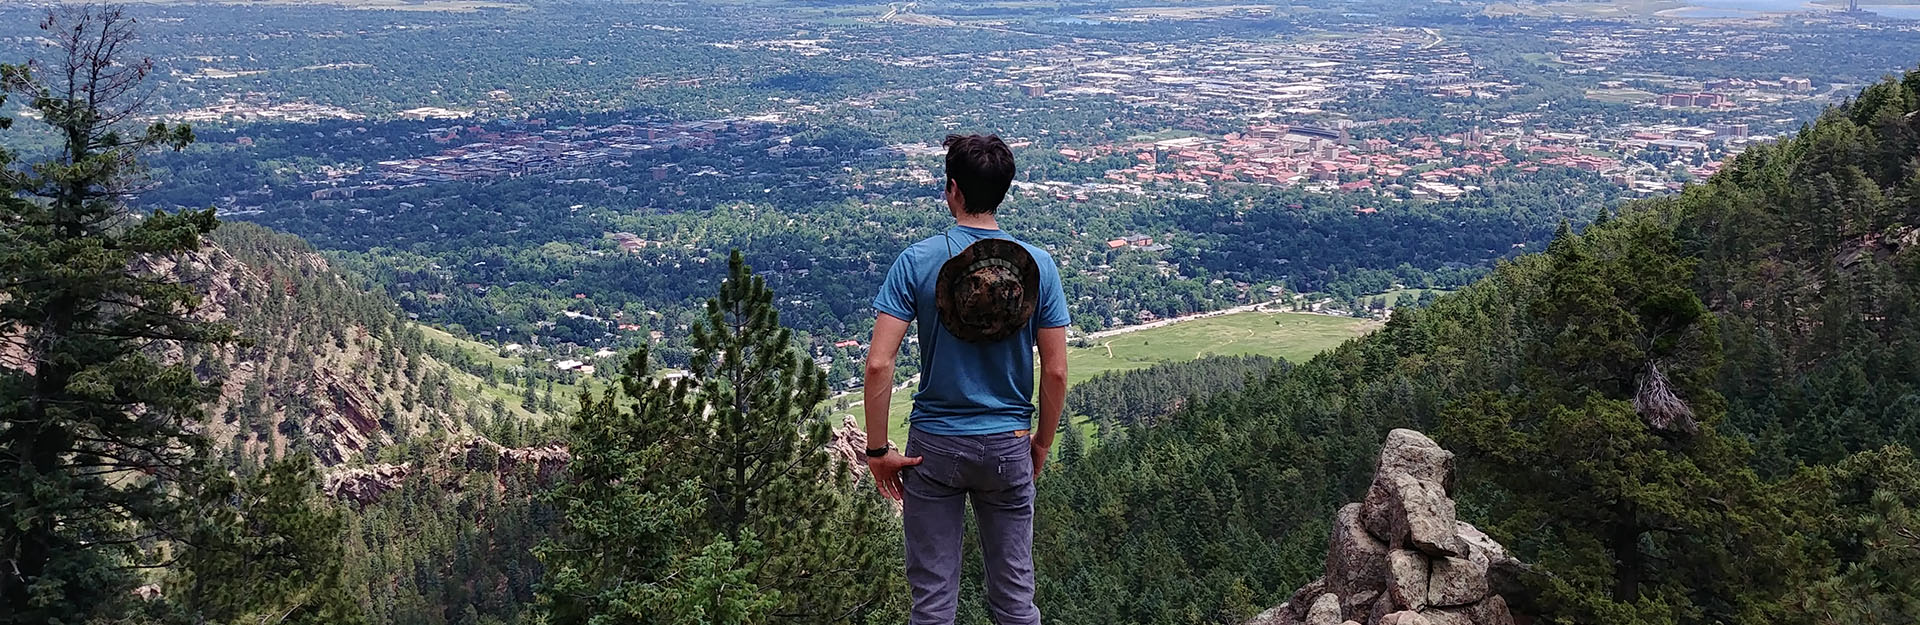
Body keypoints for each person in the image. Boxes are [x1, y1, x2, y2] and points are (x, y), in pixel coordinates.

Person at [864, 133, 1070, 625]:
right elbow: (1057, 370)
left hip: (933, 446)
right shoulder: (1038, 266)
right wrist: (1040, 442)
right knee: (1015, 599)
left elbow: (877, 363)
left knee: (933, 603)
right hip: (1009, 442)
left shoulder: (916, 260)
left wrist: (876, 451)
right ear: (1003, 190)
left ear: (951, 189)